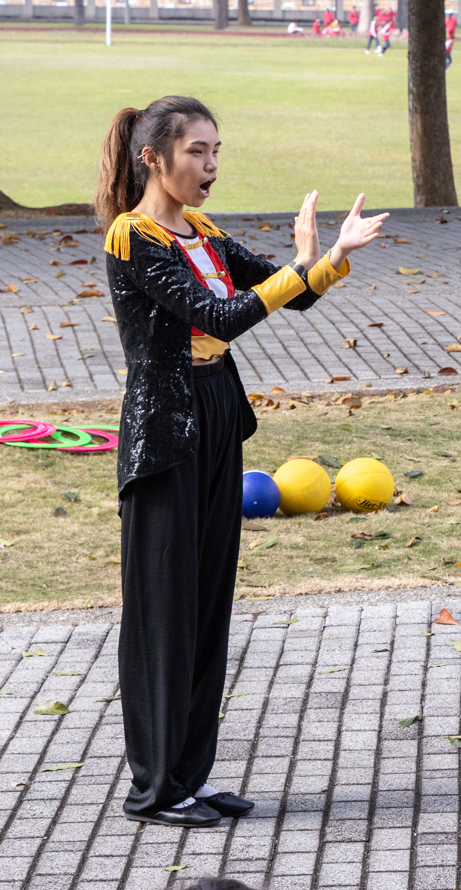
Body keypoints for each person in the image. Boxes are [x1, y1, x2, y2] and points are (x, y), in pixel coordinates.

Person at [99, 96, 385, 826]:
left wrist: (331, 257)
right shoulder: (133, 237)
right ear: (153, 158)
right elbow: (222, 314)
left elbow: (291, 296)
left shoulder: (202, 231)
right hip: (165, 430)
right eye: (196, 151)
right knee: (164, 610)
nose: (211, 166)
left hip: (218, 413)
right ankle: (155, 788)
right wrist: (298, 267)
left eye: (216, 151)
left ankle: (189, 779)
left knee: (207, 604)